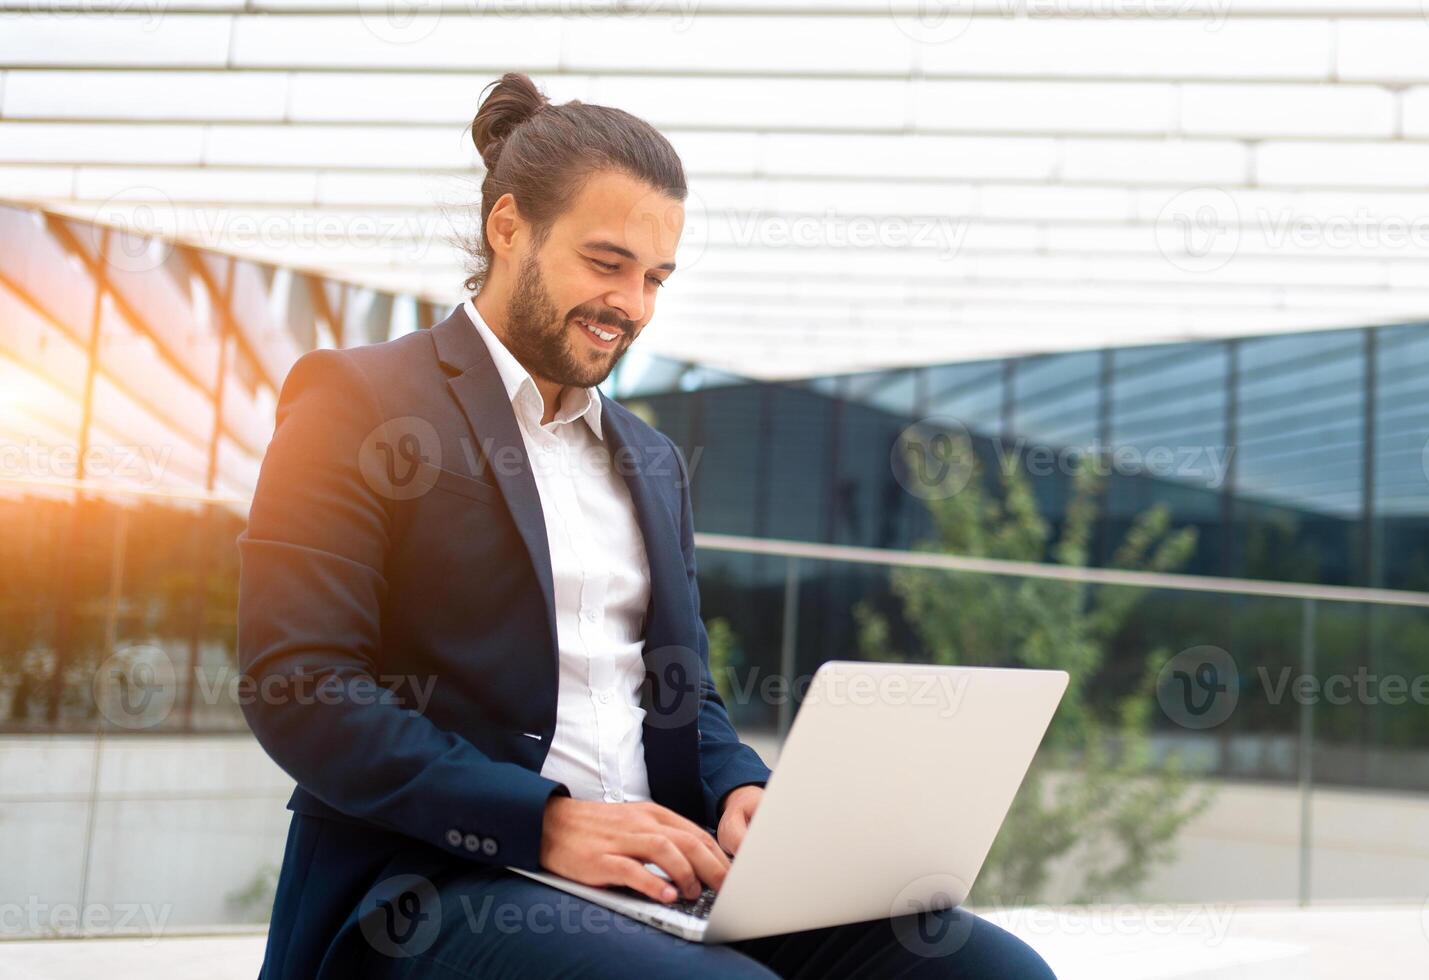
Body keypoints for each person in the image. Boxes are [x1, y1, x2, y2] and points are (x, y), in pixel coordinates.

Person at [237, 71, 1055, 979]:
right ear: (507, 228)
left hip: (661, 868)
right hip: (447, 877)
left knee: (990, 971)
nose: (633, 305)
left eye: (656, 277)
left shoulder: (650, 459)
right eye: (606, 262)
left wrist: (738, 785)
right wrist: (547, 821)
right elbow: (300, 685)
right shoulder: (357, 399)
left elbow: (680, 692)